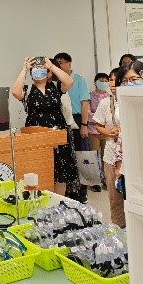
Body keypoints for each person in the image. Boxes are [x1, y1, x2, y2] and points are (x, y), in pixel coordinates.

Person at [12, 56, 78, 196]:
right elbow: (15, 92)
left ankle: (59, 201)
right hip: (36, 136)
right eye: (35, 70)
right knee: (40, 168)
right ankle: (40, 200)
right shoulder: (27, 90)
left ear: (48, 73)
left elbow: (69, 81)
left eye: (42, 69)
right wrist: (24, 69)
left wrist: (51, 66)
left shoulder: (56, 87)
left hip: (57, 134)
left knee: (61, 171)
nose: (38, 71)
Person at [53, 52, 90, 202]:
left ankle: (81, 193)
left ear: (69, 63)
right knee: (66, 158)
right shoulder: (55, 82)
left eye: (61, 62)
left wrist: (84, 124)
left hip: (77, 119)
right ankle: (67, 192)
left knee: (80, 157)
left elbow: (85, 103)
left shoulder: (79, 79)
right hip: (61, 122)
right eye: (57, 63)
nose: (59, 65)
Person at [92, 68, 125, 227]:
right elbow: (98, 126)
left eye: (116, 79)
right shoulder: (105, 103)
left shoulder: (133, 101)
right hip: (112, 154)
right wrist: (110, 132)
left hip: (130, 155)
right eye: (110, 80)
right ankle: (119, 228)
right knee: (115, 196)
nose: (112, 83)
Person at [112, 61, 143, 199]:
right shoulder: (122, 104)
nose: (128, 84)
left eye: (134, 79)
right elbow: (122, 137)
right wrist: (119, 164)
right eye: (124, 81)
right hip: (129, 160)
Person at [88, 72, 111, 192]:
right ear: (95, 82)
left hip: (107, 132)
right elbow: (88, 114)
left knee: (106, 158)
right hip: (93, 132)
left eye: (106, 81)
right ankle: (94, 182)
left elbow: (111, 115)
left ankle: (107, 181)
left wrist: (99, 117)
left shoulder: (110, 97)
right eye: (101, 81)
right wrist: (101, 118)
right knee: (93, 157)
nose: (104, 83)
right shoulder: (89, 96)